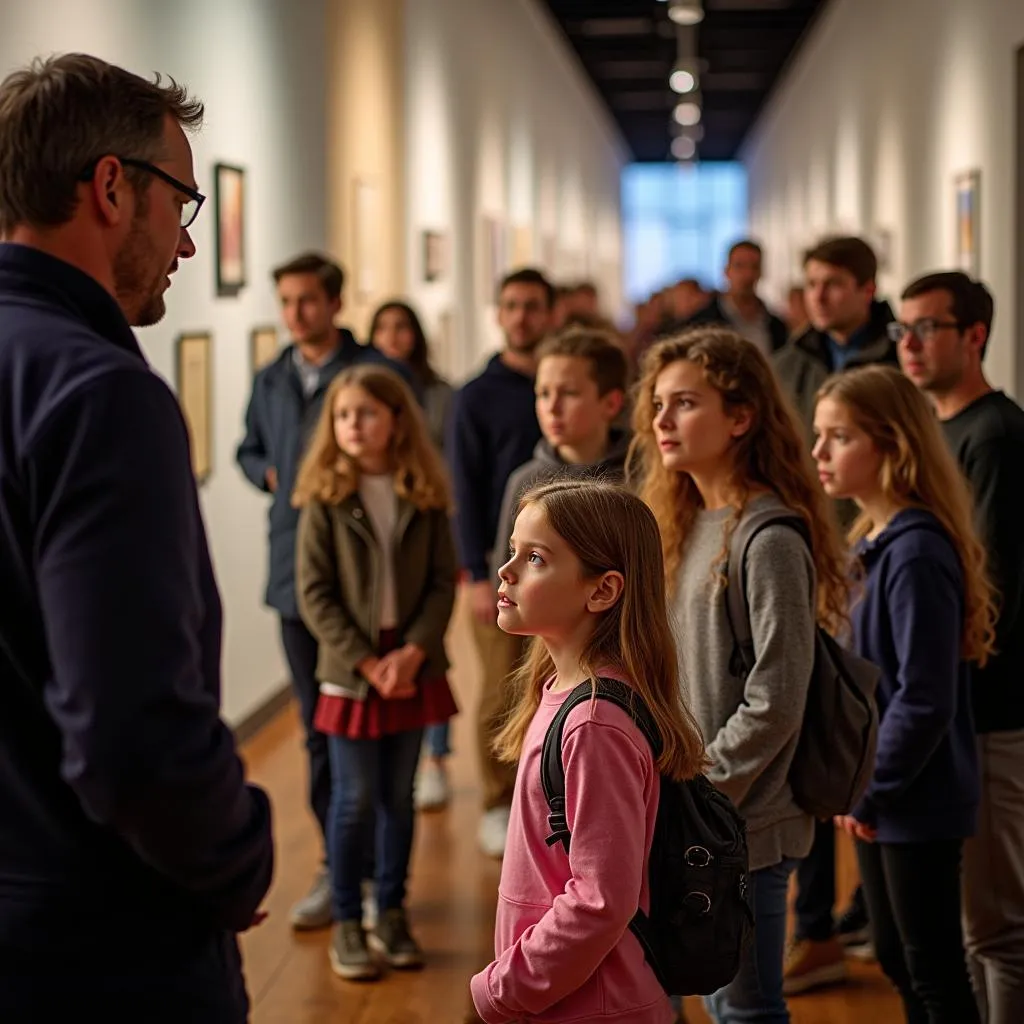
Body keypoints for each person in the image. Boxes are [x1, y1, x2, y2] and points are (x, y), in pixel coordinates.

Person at [0, 53, 272, 1020]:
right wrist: (241, 857)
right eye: (182, 204)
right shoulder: (99, 392)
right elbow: (129, 738)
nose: (187, 247)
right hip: (97, 950)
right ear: (112, 188)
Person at [633, 328, 850, 1024]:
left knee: (745, 1010)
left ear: (740, 416)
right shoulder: (682, 519)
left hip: (742, 823)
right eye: (658, 404)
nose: (662, 421)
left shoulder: (770, 536)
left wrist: (699, 791)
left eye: (685, 403)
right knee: (661, 993)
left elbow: (776, 697)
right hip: (681, 810)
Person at [467, 481, 706, 1024]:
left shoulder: (595, 724)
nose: (506, 572)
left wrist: (504, 988)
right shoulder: (562, 691)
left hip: (593, 1004)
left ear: (601, 591)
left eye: (534, 558)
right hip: (564, 993)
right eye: (512, 551)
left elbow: (600, 900)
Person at [813, 364, 997, 1024]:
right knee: (895, 954)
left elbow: (923, 697)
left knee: (932, 968)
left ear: (890, 444)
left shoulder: (917, 552)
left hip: (913, 794)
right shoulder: (873, 538)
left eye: (838, 438)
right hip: (878, 792)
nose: (819, 454)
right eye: (819, 436)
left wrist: (870, 786)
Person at [237, 252, 410, 930]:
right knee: (318, 732)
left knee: (385, 744)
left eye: (307, 300)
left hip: (372, 580)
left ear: (335, 303)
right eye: (285, 301)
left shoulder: (375, 374)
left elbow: (411, 455)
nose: (295, 313)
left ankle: (382, 884)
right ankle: (340, 868)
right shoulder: (271, 377)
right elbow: (247, 450)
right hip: (295, 579)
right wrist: (270, 475)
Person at [294, 364, 458, 981]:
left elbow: (443, 582)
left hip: (411, 663)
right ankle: (347, 919)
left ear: (395, 421)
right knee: (354, 798)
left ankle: (391, 911)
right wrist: (367, 662)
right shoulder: (325, 498)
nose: (352, 426)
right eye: (342, 416)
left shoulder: (423, 492)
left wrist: (412, 653)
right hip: (352, 668)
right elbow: (315, 594)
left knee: (399, 796)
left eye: (365, 414)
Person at [896, 271, 1024, 1023]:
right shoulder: (936, 429)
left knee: (997, 922)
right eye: (902, 330)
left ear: (973, 336)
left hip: (991, 708)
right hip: (949, 709)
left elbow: (994, 591)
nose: (910, 344)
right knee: (958, 928)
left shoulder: (997, 436)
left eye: (927, 329)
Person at [774, 235, 897, 988]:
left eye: (833, 283)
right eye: (811, 282)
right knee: (819, 745)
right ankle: (816, 923)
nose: (818, 295)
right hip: (816, 561)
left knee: (876, 740)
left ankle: (871, 911)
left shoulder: (892, 359)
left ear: (864, 286)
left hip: (877, 554)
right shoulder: (793, 362)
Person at [449, 267, 554, 858]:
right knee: (500, 689)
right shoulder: (475, 396)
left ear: (549, 313)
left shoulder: (557, 384)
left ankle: (546, 801)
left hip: (560, 568)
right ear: (498, 313)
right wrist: (473, 573)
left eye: (532, 306)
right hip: (499, 569)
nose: (521, 317)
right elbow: (461, 488)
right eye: (511, 305)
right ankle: (495, 801)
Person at [369, 299, 456, 811]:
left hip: (427, 518)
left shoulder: (440, 392)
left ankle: (436, 754)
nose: (392, 336)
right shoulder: (363, 390)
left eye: (402, 326)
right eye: (382, 327)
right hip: (383, 527)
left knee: (428, 648)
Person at [490, 327, 631, 587]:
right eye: (543, 394)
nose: (552, 408)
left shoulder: (641, 475)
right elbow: (506, 578)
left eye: (569, 393)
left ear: (611, 403)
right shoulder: (525, 480)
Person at [684, 241, 788, 356]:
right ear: (726, 271)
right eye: (740, 266)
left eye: (754, 267)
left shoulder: (776, 327)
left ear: (761, 272)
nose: (747, 274)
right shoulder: (702, 323)